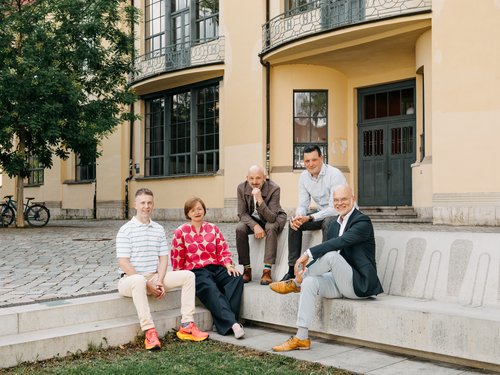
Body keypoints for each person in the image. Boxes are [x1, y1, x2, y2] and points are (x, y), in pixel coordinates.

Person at [269, 184, 383, 352]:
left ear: (353, 199)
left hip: (359, 285)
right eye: (336, 200)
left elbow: (339, 243)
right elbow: (326, 254)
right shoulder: (335, 225)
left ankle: (296, 283)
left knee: (331, 256)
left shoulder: (362, 221)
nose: (340, 203)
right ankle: (301, 337)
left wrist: (308, 253)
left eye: (344, 199)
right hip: (339, 281)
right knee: (310, 284)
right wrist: (308, 271)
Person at [116, 188, 209, 351]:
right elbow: (123, 262)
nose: (146, 206)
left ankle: (187, 325)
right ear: (135, 204)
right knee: (138, 280)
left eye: (149, 203)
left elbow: (164, 258)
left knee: (188, 275)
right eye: (143, 203)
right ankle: (149, 332)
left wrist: (159, 280)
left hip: (153, 277)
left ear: (153, 205)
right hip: (130, 280)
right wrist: (146, 284)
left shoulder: (158, 229)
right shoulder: (126, 230)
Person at [171, 197, 246, 339]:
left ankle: (226, 322)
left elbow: (223, 249)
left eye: (199, 208)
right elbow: (177, 255)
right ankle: (234, 324)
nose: (197, 212)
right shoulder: (181, 232)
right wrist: (179, 275)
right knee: (210, 287)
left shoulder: (213, 228)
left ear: (204, 210)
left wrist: (228, 264)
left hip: (216, 268)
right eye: (192, 210)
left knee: (236, 278)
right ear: (188, 214)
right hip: (196, 271)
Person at [282, 145, 347, 281]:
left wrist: (310, 217)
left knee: (329, 221)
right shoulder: (304, 177)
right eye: (307, 161)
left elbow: (335, 208)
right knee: (294, 223)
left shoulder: (334, 174)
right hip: (322, 214)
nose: (310, 164)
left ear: (322, 159)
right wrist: (300, 216)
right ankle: (292, 269)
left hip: (342, 215)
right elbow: (303, 204)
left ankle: (324, 267)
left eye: (314, 160)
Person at [236, 165, 288, 285]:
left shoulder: (274, 188)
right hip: (256, 219)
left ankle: (267, 271)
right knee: (240, 228)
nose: (254, 182)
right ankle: (246, 269)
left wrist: (259, 199)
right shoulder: (241, 188)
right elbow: (242, 214)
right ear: (247, 178)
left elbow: (271, 218)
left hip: (275, 218)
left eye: (258, 178)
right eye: (251, 178)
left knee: (270, 227)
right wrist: (255, 226)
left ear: (264, 178)